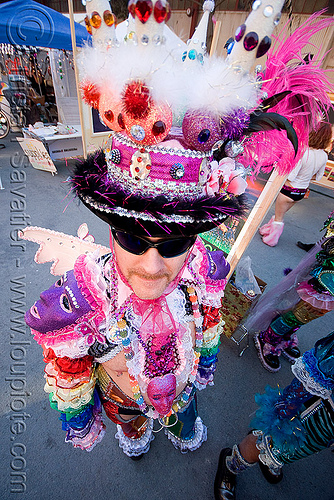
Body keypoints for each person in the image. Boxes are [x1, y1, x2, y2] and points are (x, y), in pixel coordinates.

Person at [23, 0, 333, 458]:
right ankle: (137, 437)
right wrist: (85, 414)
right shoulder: (79, 299)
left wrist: (203, 365)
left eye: (175, 243)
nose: (153, 265)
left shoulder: (204, 268)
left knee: (184, 413)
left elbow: (207, 326)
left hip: (181, 386)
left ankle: (183, 427)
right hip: (124, 400)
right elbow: (69, 376)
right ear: (112, 231)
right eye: (132, 237)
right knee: (132, 427)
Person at [214, 330, 334, 500]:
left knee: (295, 449)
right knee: (273, 436)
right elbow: (323, 364)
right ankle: (231, 463)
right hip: (320, 409)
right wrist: (286, 409)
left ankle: (273, 457)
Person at [252, 212, 334, 372]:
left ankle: (285, 335)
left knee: (313, 312)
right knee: (305, 307)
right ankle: (268, 337)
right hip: (328, 271)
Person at [259, 122, 333, 247]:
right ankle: (267, 231)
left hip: (288, 190)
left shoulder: (303, 152)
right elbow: (318, 177)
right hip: (301, 193)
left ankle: (271, 239)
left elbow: (291, 176)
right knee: (279, 215)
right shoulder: (324, 156)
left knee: (279, 218)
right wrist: (306, 177)